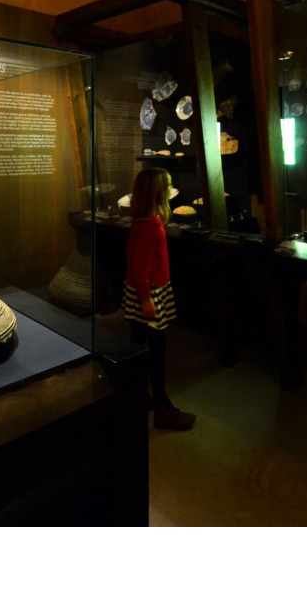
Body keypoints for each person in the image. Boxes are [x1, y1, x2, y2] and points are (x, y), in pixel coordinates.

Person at [123, 167, 195, 430]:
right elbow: (141, 266)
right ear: (156, 191)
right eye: (167, 186)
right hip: (149, 292)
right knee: (156, 349)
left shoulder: (140, 219)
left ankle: (135, 396)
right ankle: (163, 408)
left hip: (142, 290)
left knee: (136, 345)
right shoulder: (151, 222)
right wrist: (147, 300)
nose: (170, 190)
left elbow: (133, 262)